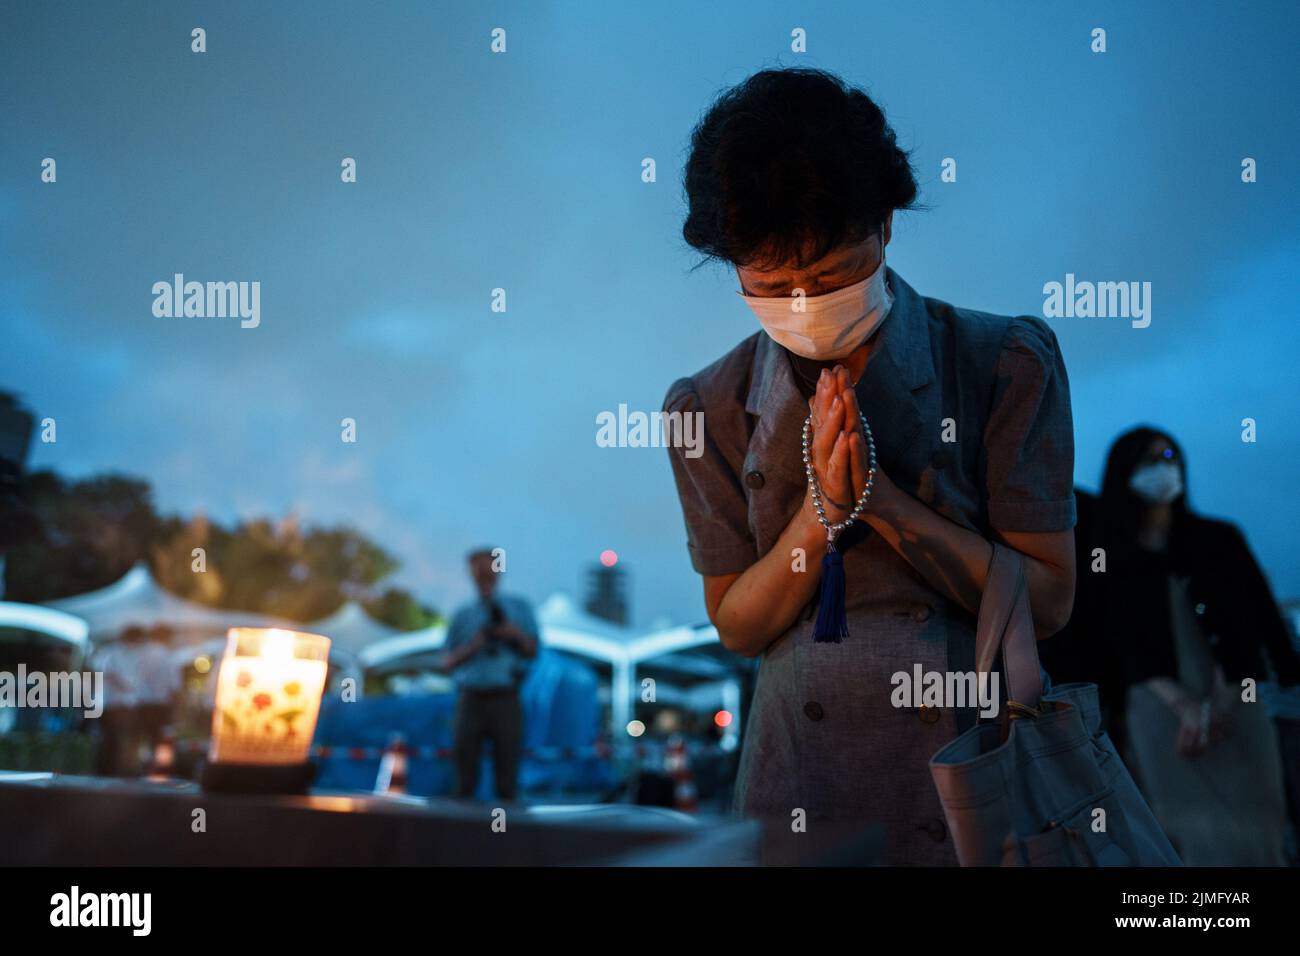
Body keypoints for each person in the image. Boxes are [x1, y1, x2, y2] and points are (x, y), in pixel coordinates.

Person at [662, 68, 1077, 865]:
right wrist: (820, 518)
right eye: (771, 285)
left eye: (830, 275)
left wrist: (883, 504)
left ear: (885, 225)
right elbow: (737, 624)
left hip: (968, 752)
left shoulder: (1001, 362)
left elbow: (1050, 599)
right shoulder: (705, 408)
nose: (804, 302)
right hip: (799, 775)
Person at [1063, 426, 1299, 865]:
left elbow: (1256, 621)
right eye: (1149, 460)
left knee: (1261, 824)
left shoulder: (1220, 539)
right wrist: (1183, 706)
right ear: (1125, 471)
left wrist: (1223, 700)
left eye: (1169, 456)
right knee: (1187, 833)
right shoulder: (1107, 555)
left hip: (1236, 702)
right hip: (1159, 712)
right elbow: (1116, 638)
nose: (1162, 468)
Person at [439, 548, 540, 801]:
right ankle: (461, 834)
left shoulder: (519, 608)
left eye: (488, 567)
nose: (483, 574)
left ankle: (506, 834)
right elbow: (446, 662)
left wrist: (511, 633)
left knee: (507, 779)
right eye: (478, 569)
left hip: (506, 697)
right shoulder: (463, 614)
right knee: (463, 779)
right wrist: (474, 645)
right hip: (470, 698)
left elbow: (533, 650)